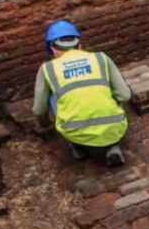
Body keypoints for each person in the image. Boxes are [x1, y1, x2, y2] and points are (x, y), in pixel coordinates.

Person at [32, 19, 131, 167]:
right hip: (115, 126)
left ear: (52, 49)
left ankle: (78, 147)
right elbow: (125, 95)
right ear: (79, 45)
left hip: (73, 130)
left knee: (53, 95)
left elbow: (39, 109)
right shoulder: (101, 58)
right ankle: (112, 146)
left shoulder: (47, 69)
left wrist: (45, 124)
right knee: (105, 86)